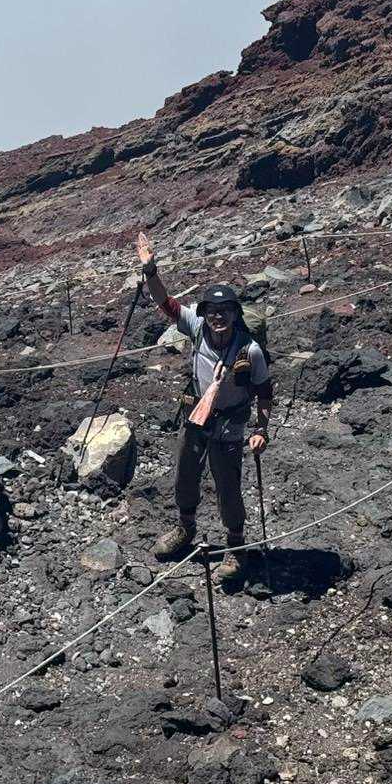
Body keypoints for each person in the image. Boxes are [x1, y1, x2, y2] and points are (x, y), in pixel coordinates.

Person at [137, 232, 273, 582]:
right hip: (196, 416)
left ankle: (236, 545)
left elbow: (264, 390)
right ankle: (185, 528)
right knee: (185, 474)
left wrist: (261, 430)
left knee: (228, 485)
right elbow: (166, 303)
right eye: (212, 311)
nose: (218, 317)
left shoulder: (250, 350)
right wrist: (150, 270)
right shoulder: (197, 328)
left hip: (229, 424)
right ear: (205, 314)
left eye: (224, 311)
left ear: (235, 314)